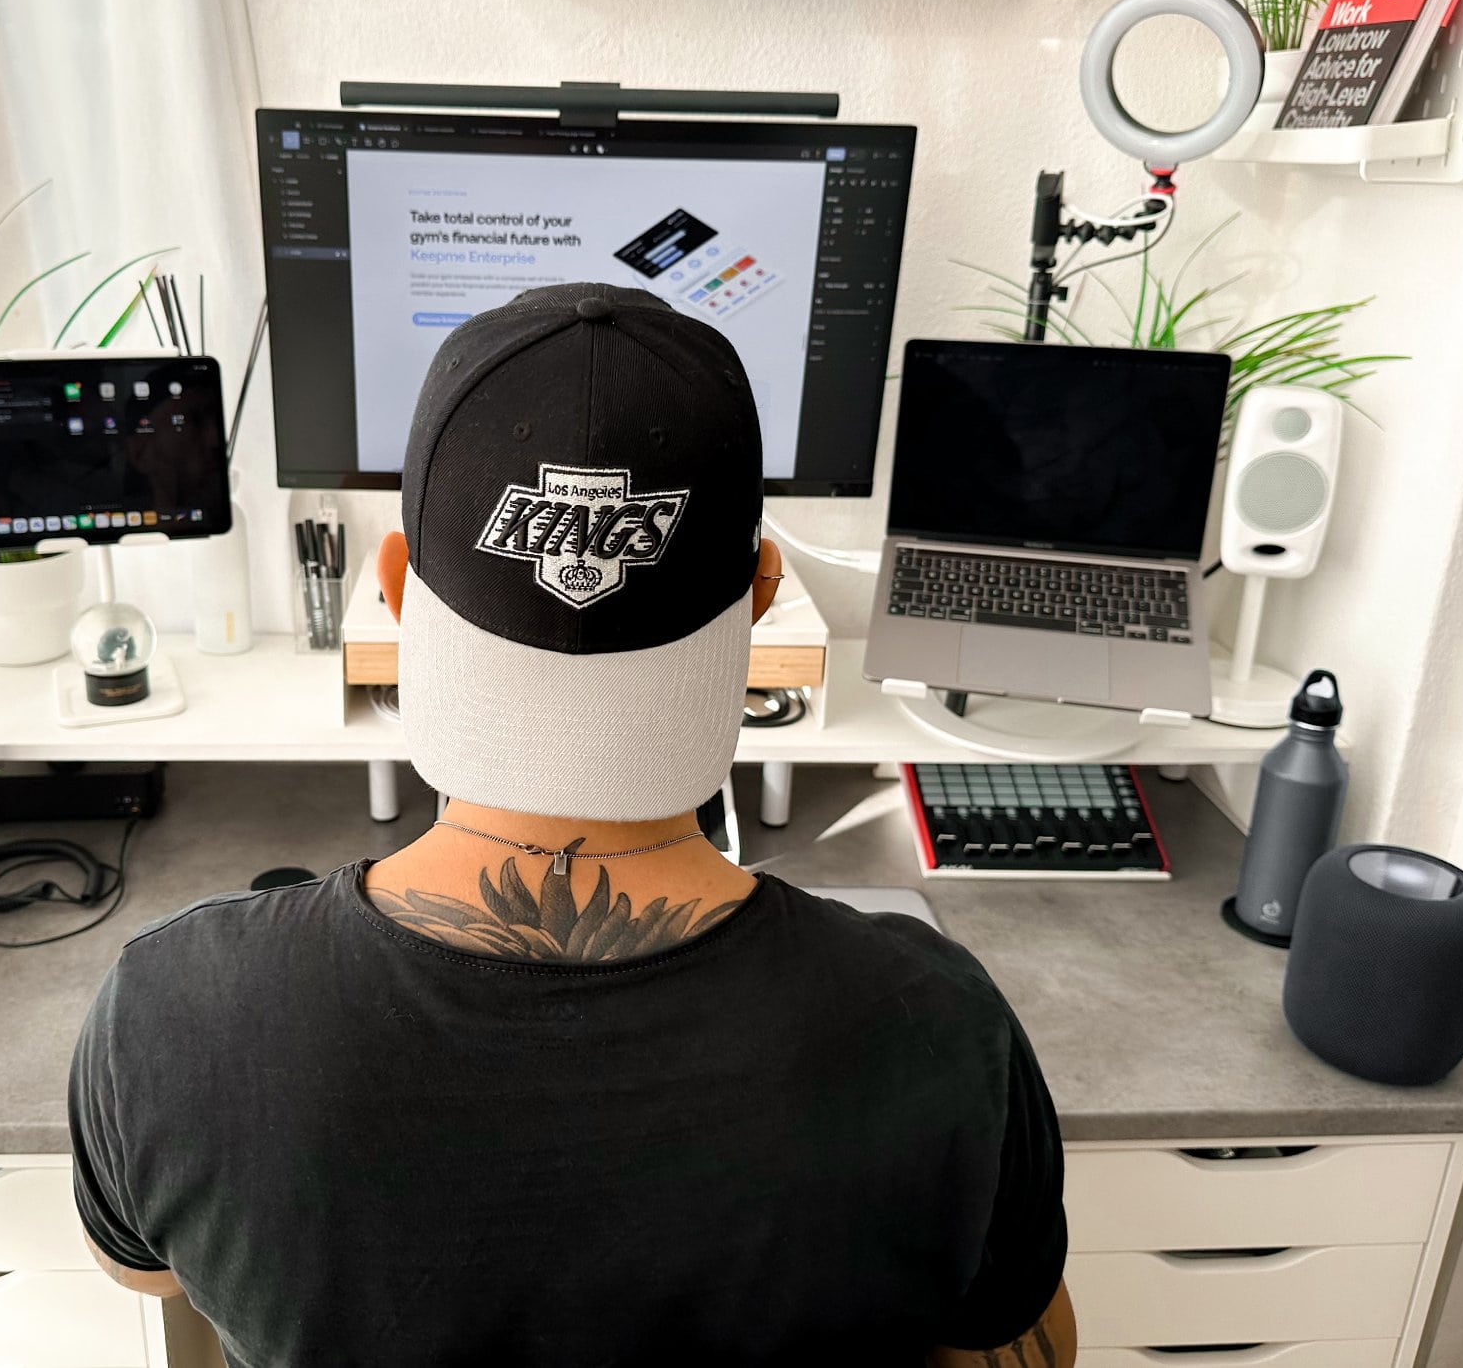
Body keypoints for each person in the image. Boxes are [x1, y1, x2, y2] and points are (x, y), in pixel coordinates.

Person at [68, 283, 1074, 1367]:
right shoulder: (939, 1023)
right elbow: (1024, 1340)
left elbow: (146, 1275)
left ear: (397, 585)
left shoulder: (168, 1012)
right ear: (762, 591)